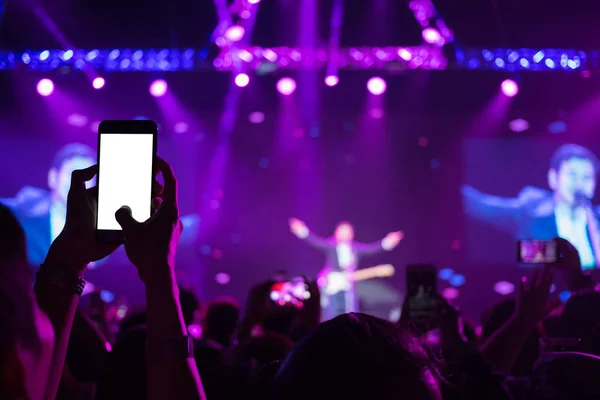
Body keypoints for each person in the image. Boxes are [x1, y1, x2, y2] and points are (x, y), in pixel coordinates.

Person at [463, 143, 600, 269]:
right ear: (553, 178)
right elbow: (481, 207)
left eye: (587, 177)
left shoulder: (597, 220)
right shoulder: (530, 213)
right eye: (572, 175)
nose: (579, 184)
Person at [1, 143, 95, 265]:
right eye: (74, 173)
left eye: (88, 177)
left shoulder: (103, 227)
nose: (81, 182)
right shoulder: (22, 215)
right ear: (53, 177)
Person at [289, 218, 403, 319]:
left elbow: (372, 249)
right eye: (342, 231)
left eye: (347, 231)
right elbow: (315, 241)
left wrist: (387, 242)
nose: (345, 234)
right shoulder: (331, 245)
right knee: (331, 311)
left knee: (350, 310)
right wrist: (302, 231)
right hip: (332, 285)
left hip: (348, 285)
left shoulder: (355, 248)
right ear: (336, 232)